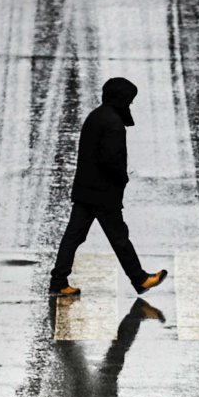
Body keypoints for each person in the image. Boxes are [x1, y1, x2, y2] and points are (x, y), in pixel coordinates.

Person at [48, 77, 168, 298]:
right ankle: (140, 279)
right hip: (103, 193)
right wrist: (122, 178)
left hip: (86, 189)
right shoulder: (113, 124)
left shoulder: (96, 116)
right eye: (129, 101)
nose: (130, 105)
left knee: (73, 237)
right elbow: (112, 160)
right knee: (119, 237)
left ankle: (58, 281)